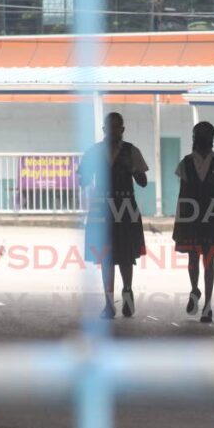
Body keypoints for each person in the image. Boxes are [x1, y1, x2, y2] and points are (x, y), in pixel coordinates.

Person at [79, 112, 149, 319]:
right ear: (104, 130)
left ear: (122, 130)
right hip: (102, 208)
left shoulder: (131, 151)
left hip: (126, 206)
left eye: (117, 127)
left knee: (127, 256)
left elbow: (143, 182)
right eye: (109, 127)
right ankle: (109, 305)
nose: (112, 131)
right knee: (106, 256)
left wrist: (133, 169)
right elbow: (82, 181)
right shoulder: (94, 152)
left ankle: (127, 292)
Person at [171, 121, 214, 323]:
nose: (200, 138)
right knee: (193, 260)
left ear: (211, 138)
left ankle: (207, 306)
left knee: (209, 261)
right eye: (198, 134)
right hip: (191, 218)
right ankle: (194, 290)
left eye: (204, 134)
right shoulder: (185, 163)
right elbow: (182, 196)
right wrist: (179, 223)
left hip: (212, 218)